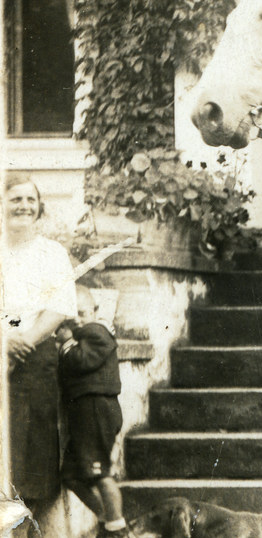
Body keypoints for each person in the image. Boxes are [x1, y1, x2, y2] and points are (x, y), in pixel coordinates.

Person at [2, 174, 77, 510]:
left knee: (33, 450)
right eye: (16, 199)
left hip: (35, 357)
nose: (24, 206)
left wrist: (25, 341)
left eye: (31, 200)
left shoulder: (51, 252)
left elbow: (60, 306)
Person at [56, 286, 126, 538]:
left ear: (96, 311)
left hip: (97, 411)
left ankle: (118, 528)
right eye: (72, 316)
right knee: (72, 475)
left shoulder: (98, 332)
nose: (78, 320)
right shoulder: (84, 334)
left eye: (83, 313)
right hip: (84, 414)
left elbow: (81, 360)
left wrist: (65, 343)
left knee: (100, 473)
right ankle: (106, 519)